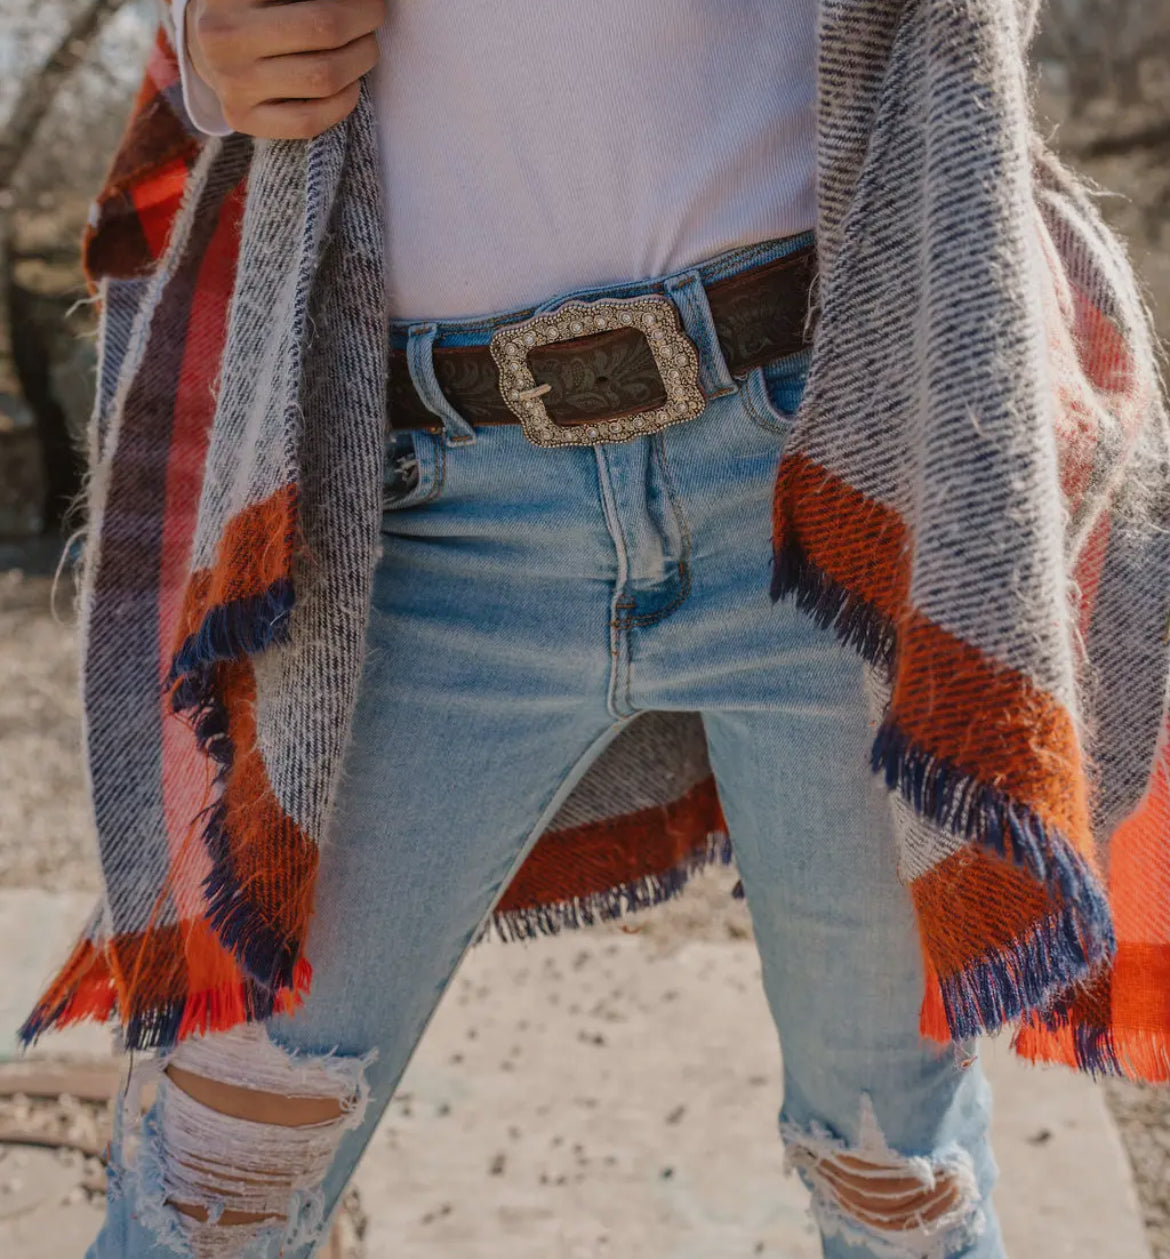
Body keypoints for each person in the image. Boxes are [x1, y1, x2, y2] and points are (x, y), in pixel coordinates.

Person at [20, 2, 1170, 1257]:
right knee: (214, 1179)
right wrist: (210, 42)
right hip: (421, 510)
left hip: (830, 465)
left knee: (895, 1175)